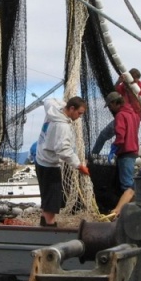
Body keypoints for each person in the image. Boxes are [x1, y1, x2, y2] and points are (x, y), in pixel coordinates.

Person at [35, 96, 90, 227]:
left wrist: (63, 103)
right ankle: (49, 226)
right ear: (71, 108)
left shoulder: (53, 109)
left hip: (40, 158)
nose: (79, 117)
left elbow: (49, 99)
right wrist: (79, 165)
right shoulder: (62, 126)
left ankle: (43, 222)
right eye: (79, 113)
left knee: (46, 194)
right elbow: (63, 150)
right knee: (52, 197)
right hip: (49, 164)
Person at [91, 68, 141, 155]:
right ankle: (95, 154)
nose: (134, 84)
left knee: (128, 141)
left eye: (136, 82)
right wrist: (119, 81)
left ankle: (126, 156)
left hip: (134, 119)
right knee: (104, 135)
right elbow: (113, 95)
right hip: (124, 116)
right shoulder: (123, 86)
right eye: (132, 81)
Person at [104, 91, 139, 193]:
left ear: (115, 103)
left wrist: (114, 147)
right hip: (133, 152)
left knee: (126, 185)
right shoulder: (134, 114)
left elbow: (121, 136)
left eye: (110, 105)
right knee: (130, 181)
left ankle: (130, 207)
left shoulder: (120, 115)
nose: (110, 108)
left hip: (125, 152)